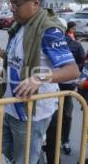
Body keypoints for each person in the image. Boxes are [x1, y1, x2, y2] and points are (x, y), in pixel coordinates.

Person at [0, 0, 80, 164]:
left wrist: (39, 78)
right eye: (11, 3)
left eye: (16, 4)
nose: (12, 8)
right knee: (11, 156)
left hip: (31, 113)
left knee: (25, 159)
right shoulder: (21, 26)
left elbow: (72, 70)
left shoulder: (48, 31)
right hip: (11, 106)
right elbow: (19, 60)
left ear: (36, 2)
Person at [44, 20, 85, 163]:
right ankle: (49, 145)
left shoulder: (75, 45)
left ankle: (65, 141)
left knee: (66, 116)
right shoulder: (46, 41)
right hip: (49, 90)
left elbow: (81, 63)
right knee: (50, 122)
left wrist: (68, 72)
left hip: (67, 89)